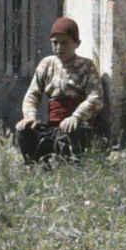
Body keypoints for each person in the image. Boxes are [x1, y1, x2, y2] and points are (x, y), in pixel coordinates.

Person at [15, 16, 103, 163]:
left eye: (65, 43)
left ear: (77, 43)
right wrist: (30, 117)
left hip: (75, 127)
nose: (59, 48)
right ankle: (35, 165)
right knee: (25, 131)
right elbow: (32, 95)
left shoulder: (86, 66)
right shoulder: (47, 64)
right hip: (52, 128)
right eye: (55, 43)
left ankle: (66, 163)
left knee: (70, 137)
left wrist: (76, 117)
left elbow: (96, 98)